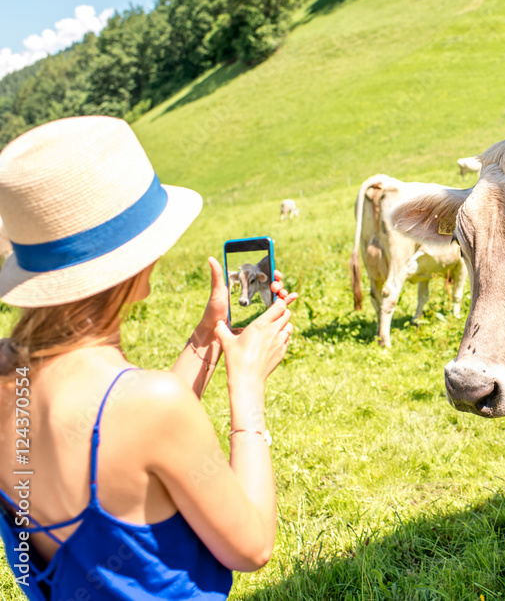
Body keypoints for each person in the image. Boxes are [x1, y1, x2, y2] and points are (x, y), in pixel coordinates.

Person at [0, 116, 298, 600]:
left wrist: (207, 336)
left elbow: (128, 434)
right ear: (135, 261)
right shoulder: (151, 405)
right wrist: (247, 387)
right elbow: (252, 546)